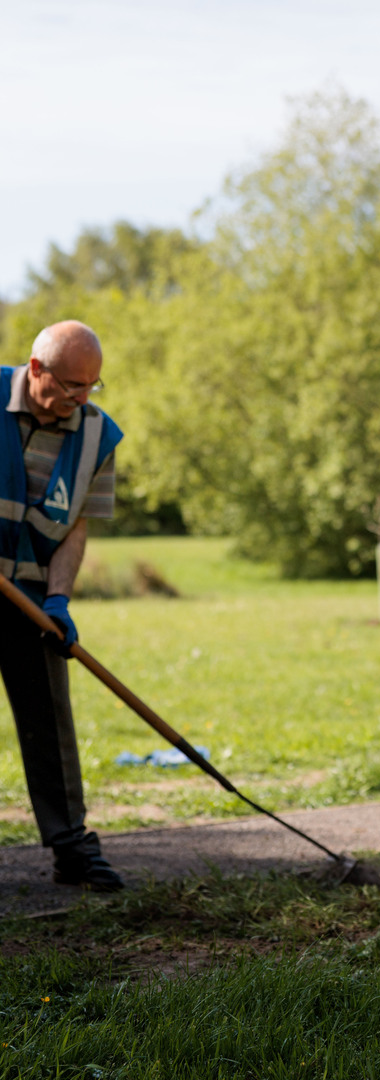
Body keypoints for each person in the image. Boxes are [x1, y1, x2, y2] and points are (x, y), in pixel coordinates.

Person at [0, 321, 125, 891]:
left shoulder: (98, 435)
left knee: (49, 717)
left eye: (92, 385)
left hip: (29, 594)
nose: (81, 397)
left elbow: (75, 526)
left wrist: (57, 598)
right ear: (36, 369)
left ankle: (71, 845)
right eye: (73, 384)